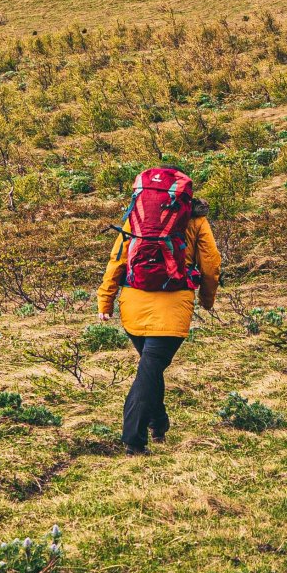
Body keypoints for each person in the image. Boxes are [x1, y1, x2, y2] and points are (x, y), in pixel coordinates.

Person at [97, 169, 221, 455]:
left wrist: (105, 301)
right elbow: (211, 264)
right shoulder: (197, 220)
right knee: (148, 372)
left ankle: (158, 421)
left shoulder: (138, 217)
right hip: (173, 306)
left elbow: (117, 260)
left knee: (150, 369)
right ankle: (134, 442)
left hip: (133, 304)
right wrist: (207, 299)